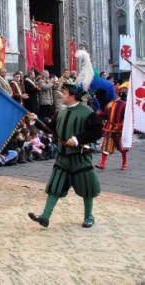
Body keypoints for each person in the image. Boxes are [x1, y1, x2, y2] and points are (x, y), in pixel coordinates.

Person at [28, 83, 103, 228]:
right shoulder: (61, 112)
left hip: (80, 158)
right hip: (62, 157)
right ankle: (45, 217)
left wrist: (77, 139)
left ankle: (89, 216)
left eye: (64, 93)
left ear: (72, 96)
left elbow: (98, 132)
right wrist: (35, 120)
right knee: (55, 186)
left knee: (87, 187)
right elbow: (50, 129)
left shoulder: (87, 112)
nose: (61, 95)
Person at [95, 90, 128, 170]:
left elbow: (127, 117)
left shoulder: (124, 104)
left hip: (119, 130)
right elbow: (106, 116)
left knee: (121, 147)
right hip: (109, 128)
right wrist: (100, 114)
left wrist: (120, 125)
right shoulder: (109, 104)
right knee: (106, 146)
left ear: (119, 93)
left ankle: (124, 162)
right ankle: (102, 163)